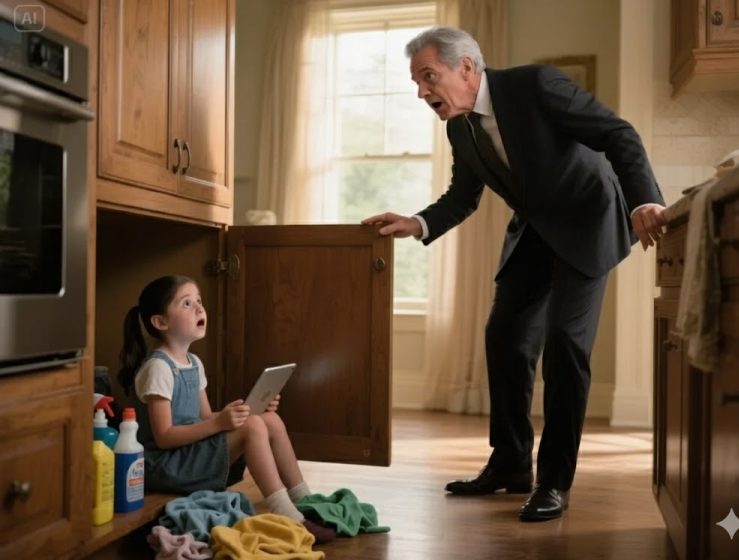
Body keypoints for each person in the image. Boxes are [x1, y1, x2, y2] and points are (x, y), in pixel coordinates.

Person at [362, 26, 666, 521]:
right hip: (534, 232)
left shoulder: (536, 86)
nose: (421, 92)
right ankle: (509, 464)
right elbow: (463, 196)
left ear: (466, 67)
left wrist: (644, 201)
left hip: (588, 222)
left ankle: (553, 482)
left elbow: (619, 134)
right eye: (415, 81)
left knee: (566, 345)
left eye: (428, 77)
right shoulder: (459, 127)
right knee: (504, 336)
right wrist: (415, 223)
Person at [118, 274, 335, 543]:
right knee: (254, 426)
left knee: (268, 420)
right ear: (160, 322)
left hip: (187, 453)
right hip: (165, 465)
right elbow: (164, 437)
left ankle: (304, 499)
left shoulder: (194, 363)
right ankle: (288, 514)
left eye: (199, 301)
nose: (199, 308)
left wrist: (238, 413)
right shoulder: (158, 368)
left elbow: (206, 417)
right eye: (186, 304)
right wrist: (220, 423)